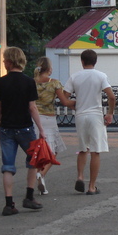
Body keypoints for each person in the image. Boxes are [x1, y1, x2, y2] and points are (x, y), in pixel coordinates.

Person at [0, 47, 46, 216]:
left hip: (7, 129)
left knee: (8, 166)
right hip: (25, 128)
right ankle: (29, 197)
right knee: (33, 162)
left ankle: (9, 204)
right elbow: (32, 107)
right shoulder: (29, 82)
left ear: (9, 62)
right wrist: (41, 129)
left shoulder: (0, 82)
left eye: (4, 60)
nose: (3, 62)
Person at [64, 49, 116, 195]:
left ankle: (80, 176)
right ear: (95, 61)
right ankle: (92, 186)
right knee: (95, 151)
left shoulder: (75, 77)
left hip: (80, 115)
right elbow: (111, 97)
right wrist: (110, 113)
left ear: (82, 61)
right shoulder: (101, 76)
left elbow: (64, 97)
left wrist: (73, 103)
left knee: (82, 149)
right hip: (95, 116)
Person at [33, 56, 76, 195]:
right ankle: (41, 174)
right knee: (53, 151)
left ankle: (41, 178)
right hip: (49, 120)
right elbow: (65, 102)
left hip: (33, 119)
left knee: (37, 151)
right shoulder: (54, 83)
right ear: (49, 69)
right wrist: (78, 102)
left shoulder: (31, 82)